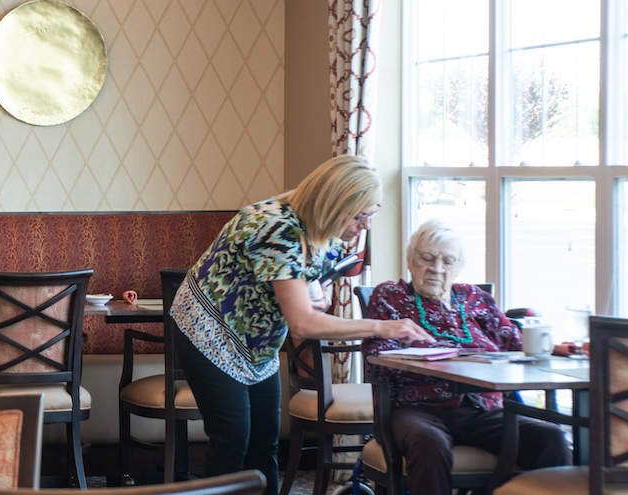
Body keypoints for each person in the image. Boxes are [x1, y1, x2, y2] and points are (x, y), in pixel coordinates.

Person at [168, 154, 432, 495]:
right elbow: (303, 324)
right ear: (336, 204)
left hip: (257, 342)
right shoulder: (277, 228)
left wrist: (312, 290)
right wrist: (382, 327)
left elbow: (310, 285)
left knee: (264, 442)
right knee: (232, 438)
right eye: (361, 214)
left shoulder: (322, 226)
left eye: (372, 212)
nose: (366, 224)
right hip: (206, 330)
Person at [362, 220, 569, 495]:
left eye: (448, 261)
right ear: (410, 261)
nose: (437, 268)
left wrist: (560, 347)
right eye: (427, 258)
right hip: (416, 408)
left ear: (458, 267)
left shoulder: (475, 298)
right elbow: (376, 355)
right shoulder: (391, 296)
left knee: (549, 438)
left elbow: (516, 343)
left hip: (481, 409)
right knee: (428, 442)